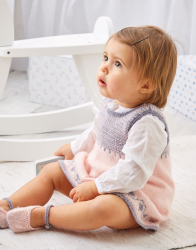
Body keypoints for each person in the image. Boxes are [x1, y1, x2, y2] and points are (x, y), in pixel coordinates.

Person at [0, 25, 177, 233]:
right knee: (52, 171)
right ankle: (6, 206)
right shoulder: (111, 103)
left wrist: (96, 188)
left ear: (145, 86)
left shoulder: (148, 123)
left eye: (117, 63)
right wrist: (75, 148)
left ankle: (43, 216)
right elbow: (96, 133)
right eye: (105, 58)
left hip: (136, 193)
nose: (104, 68)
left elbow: (134, 173)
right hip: (100, 176)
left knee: (103, 208)